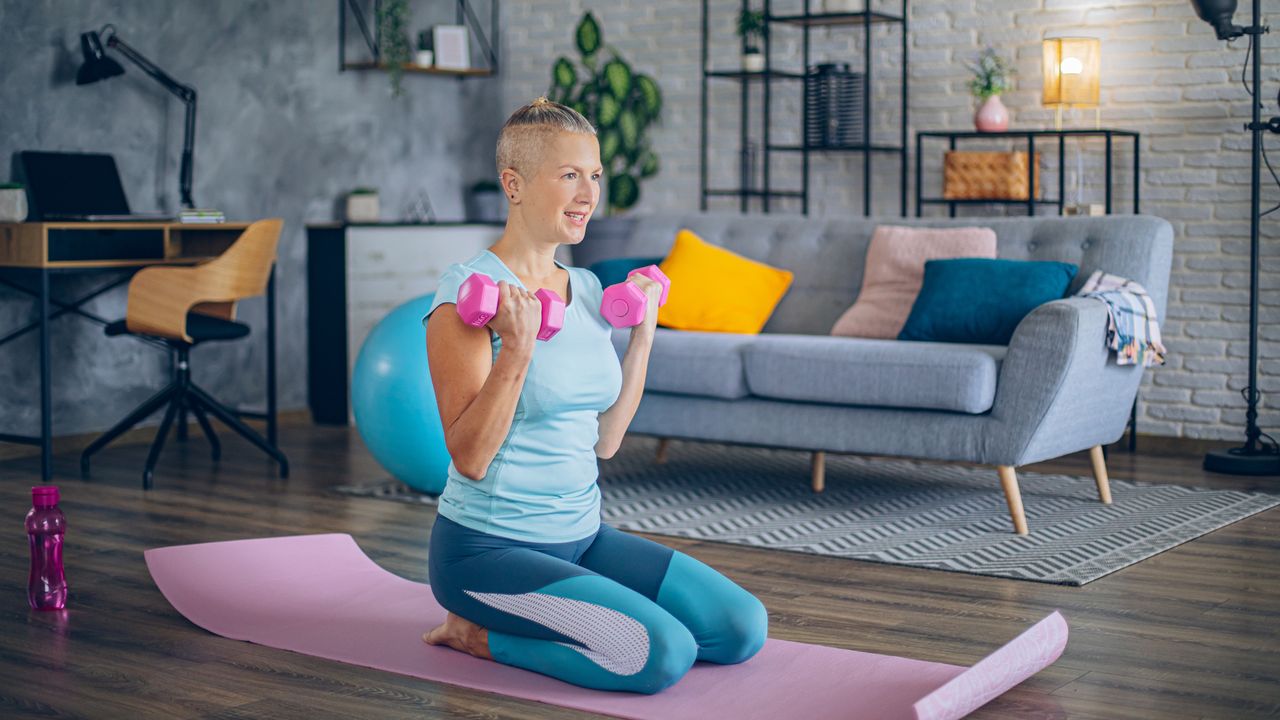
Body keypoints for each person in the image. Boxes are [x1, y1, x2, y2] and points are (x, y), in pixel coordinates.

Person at [420, 97, 768, 694]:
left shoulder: (584, 288)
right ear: (515, 185)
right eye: (569, 175)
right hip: (485, 551)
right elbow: (470, 457)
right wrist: (519, 351)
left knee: (741, 628)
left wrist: (644, 336)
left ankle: (543, 616)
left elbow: (606, 442)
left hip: (582, 537)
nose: (588, 194)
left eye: (595, 176)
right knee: (661, 655)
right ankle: (475, 634)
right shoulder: (466, 297)